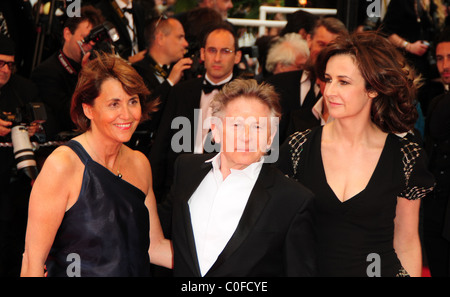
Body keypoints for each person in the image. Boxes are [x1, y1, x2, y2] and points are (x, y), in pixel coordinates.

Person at [276, 31, 435, 277]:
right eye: (328, 79)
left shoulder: (406, 156)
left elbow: (406, 241)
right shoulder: (298, 147)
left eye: (344, 81)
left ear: (372, 89)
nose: (329, 91)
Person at [20, 53, 172, 277]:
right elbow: (33, 261)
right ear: (88, 109)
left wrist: (222, 260)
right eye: (114, 104)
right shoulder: (62, 165)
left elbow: (154, 246)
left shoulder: (140, 163)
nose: (127, 115)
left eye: (133, 101)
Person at [159, 78, 316, 277]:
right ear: (215, 130)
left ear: (270, 137)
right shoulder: (186, 170)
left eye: (258, 127)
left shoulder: (293, 200)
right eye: (237, 125)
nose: (246, 136)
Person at [149, 22, 242, 202]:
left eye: (225, 51)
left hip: (227, 190)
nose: (217, 58)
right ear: (202, 54)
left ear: (237, 56)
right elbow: (162, 143)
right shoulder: (181, 92)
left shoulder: (246, 97)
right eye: (212, 50)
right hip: (178, 187)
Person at [266, 17, 348, 143]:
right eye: (321, 44)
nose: (325, 52)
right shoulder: (275, 84)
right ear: (309, 40)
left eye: (332, 47)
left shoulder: (344, 96)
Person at [0, 34, 42, 276]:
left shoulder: (24, 88)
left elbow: (47, 126)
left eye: (10, 64)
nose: (6, 70)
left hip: (17, 184)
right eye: (0, 63)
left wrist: (35, 128)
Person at [30, 5, 104, 139]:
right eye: (85, 38)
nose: (90, 45)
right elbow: (69, 119)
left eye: (94, 40)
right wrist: (86, 77)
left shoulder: (98, 68)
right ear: (67, 34)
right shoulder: (46, 73)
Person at [131, 16, 192, 154]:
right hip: (145, 152)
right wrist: (169, 82)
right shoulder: (135, 72)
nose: (185, 43)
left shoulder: (184, 72)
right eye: (180, 37)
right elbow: (142, 115)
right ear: (160, 38)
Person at [422, 26, 450, 277]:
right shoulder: (435, 101)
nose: (445, 65)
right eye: (440, 59)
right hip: (433, 213)